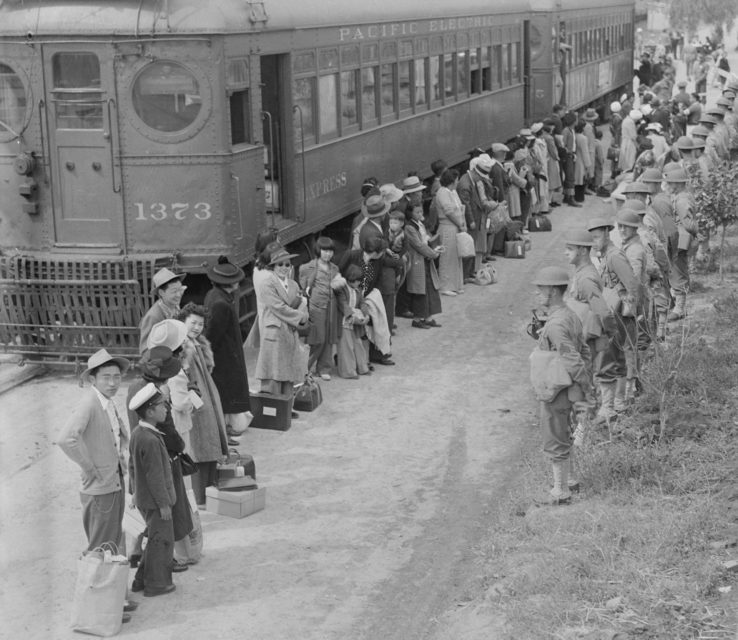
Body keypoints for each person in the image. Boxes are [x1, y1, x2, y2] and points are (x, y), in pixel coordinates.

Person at [126, 336, 193, 575]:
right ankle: (163, 560)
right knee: (166, 515)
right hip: (160, 457)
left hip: (139, 457)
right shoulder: (155, 395)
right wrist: (180, 445)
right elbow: (169, 430)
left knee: (144, 514)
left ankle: (136, 552)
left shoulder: (134, 388)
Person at [57, 348, 132, 558]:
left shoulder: (106, 401)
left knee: (112, 537)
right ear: (93, 379)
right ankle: (96, 587)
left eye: (117, 377)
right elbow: (65, 439)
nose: (113, 383)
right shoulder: (90, 403)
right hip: (100, 487)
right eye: (106, 377)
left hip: (113, 480)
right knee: (100, 544)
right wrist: (89, 467)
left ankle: (110, 588)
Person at [529, 266, 594, 504]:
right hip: (567, 386)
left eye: (541, 289)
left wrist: (585, 388)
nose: (538, 293)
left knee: (554, 435)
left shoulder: (556, 324)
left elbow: (572, 358)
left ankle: (560, 491)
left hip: (557, 388)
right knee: (565, 433)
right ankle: (571, 480)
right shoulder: (569, 315)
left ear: (554, 292)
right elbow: (584, 350)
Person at [173, 303, 229, 507]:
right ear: (183, 322)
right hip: (195, 400)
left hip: (206, 396)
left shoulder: (198, 343)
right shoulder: (182, 346)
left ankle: (208, 490)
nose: (196, 327)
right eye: (193, 323)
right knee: (197, 445)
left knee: (209, 442)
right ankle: (198, 495)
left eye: (200, 324)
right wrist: (194, 399)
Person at [587, 217, 640, 420]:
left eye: (597, 237)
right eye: (591, 239)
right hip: (613, 311)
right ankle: (618, 402)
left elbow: (632, 284)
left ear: (607, 235)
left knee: (610, 356)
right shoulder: (606, 255)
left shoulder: (614, 256)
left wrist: (629, 309)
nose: (594, 242)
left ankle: (612, 405)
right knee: (615, 357)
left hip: (618, 313)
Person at [127, 383, 177, 597]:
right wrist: (164, 504)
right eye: (161, 405)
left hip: (145, 499)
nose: (166, 408)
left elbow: (132, 467)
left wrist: (135, 492)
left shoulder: (139, 433)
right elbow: (155, 476)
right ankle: (157, 584)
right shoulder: (151, 439)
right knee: (161, 543)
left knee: (154, 538)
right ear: (150, 411)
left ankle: (140, 580)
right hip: (157, 503)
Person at [204, 256, 252, 437]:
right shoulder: (221, 304)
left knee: (224, 391)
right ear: (232, 283)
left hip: (222, 353)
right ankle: (226, 427)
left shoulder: (213, 295)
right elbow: (213, 335)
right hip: (224, 355)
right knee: (227, 391)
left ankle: (226, 425)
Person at [255, 244, 310, 395]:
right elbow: (278, 307)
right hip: (274, 333)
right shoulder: (267, 284)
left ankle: (287, 407)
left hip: (290, 333)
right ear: (273, 266)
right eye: (280, 264)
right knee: (273, 374)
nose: (284, 267)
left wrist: (304, 314)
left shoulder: (293, 284)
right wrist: (301, 317)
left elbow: (302, 305)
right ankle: (273, 411)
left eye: (287, 264)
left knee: (288, 373)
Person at [298, 237, 341, 380]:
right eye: (324, 251)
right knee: (318, 338)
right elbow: (303, 285)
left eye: (330, 251)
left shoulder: (334, 268)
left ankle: (324, 368)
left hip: (331, 306)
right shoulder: (308, 267)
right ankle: (304, 368)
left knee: (329, 337)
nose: (327, 254)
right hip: (316, 307)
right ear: (319, 251)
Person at [662, 167, 698, 321]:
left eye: (670, 182)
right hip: (677, 238)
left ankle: (680, 309)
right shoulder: (681, 196)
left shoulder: (682, 199)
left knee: (678, 271)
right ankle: (677, 305)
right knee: (675, 270)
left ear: (677, 183)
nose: (668, 184)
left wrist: (694, 233)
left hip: (680, 239)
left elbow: (688, 223)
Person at [405, 203, 444, 329]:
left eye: (421, 212)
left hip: (424, 260)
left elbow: (426, 241)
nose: (420, 214)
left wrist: (436, 248)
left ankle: (428, 317)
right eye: (417, 212)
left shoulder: (419, 225)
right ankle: (417, 319)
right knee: (419, 291)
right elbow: (418, 245)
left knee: (429, 288)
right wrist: (433, 253)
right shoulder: (409, 228)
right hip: (417, 261)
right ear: (410, 213)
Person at [335, 264, 371, 379]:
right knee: (347, 347)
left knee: (358, 345)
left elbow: (362, 303)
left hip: (355, 322)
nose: (356, 283)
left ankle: (362, 368)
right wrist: (351, 316)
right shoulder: (342, 289)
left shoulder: (358, 290)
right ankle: (348, 372)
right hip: (344, 322)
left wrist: (366, 314)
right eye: (354, 281)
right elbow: (343, 304)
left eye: (358, 281)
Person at [139, 268, 186, 353]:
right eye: (174, 291)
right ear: (161, 293)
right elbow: (145, 350)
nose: (179, 295)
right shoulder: (153, 316)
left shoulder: (175, 306)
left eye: (180, 290)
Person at [435, 168, 466, 296]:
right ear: (452, 181)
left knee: (455, 256)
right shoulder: (442, 192)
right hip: (447, 227)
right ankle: (445, 285)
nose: (458, 182)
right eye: (457, 180)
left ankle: (455, 284)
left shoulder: (451, 192)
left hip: (455, 227)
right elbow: (449, 212)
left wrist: (462, 223)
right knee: (447, 257)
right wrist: (460, 223)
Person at [573, 121, 592, 203]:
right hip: (580, 161)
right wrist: (588, 164)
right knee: (580, 179)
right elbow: (585, 152)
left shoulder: (574, 136)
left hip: (574, 160)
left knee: (575, 179)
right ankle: (579, 197)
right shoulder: (583, 138)